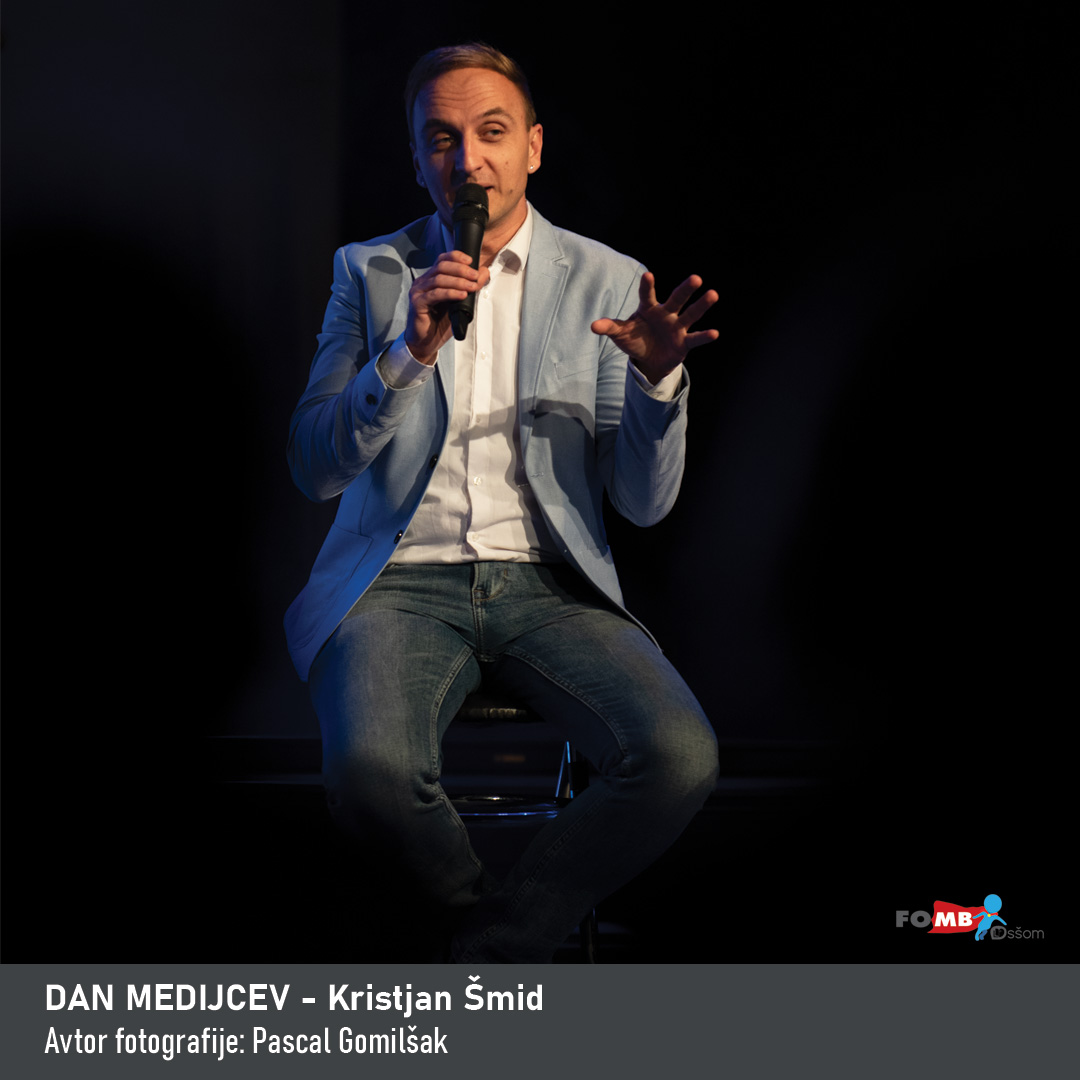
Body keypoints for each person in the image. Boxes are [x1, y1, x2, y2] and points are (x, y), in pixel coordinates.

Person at [285, 42, 719, 962]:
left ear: (533, 146)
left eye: (491, 133)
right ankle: (498, 953)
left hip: (551, 586)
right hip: (397, 583)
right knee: (370, 775)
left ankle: (488, 958)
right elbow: (314, 467)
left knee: (679, 757)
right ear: (417, 159)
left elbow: (643, 505)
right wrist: (407, 354)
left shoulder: (607, 278)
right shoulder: (370, 271)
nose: (469, 160)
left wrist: (657, 386)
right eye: (442, 139)